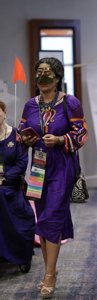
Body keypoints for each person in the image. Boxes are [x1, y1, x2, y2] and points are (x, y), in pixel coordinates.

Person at [18, 57, 88, 298]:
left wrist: (60, 140)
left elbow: (81, 134)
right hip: (38, 163)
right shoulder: (30, 104)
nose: (42, 76)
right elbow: (21, 130)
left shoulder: (70, 102)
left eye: (48, 72)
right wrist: (24, 138)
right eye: (39, 71)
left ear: (57, 77)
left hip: (62, 165)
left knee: (52, 216)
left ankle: (49, 274)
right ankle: (51, 271)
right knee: (42, 216)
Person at [0, 99, 35, 273]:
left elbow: (22, 163)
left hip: (11, 186)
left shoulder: (17, 135)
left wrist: (5, 178)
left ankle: (22, 255)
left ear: (4, 113)